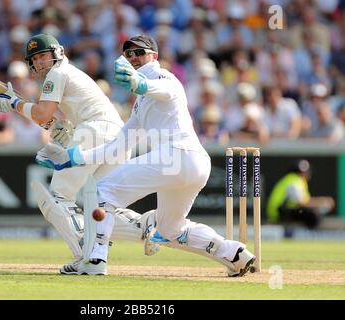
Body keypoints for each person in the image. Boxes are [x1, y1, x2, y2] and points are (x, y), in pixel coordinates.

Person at [40, 34, 256, 277]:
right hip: (190, 164)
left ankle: (95, 256)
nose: (133, 58)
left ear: (154, 56)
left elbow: (160, 89)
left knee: (102, 190)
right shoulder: (140, 103)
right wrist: (73, 158)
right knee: (170, 229)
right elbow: (117, 146)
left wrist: (139, 83)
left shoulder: (163, 77)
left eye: (139, 53)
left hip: (176, 155)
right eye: (128, 54)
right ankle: (234, 254)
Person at [0, 33, 157, 275]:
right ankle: (145, 225)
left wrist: (14, 103)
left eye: (43, 56)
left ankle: (86, 257)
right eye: (34, 59)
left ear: (57, 53)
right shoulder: (68, 74)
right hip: (116, 135)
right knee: (99, 206)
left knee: (56, 197)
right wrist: (62, 128)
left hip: (95, 131)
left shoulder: (57, 73)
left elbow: (42, 114)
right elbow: (53, 120)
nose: (39, 63)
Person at [267, 159, 335, 230]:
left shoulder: (295, 180)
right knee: (313, 215)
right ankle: (306, 234)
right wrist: (322, 202)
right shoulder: (294, 181)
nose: (307, 174)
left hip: (283, 211)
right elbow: (302, 203)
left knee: (313, 212)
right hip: (279, 213)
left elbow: (304, 201)